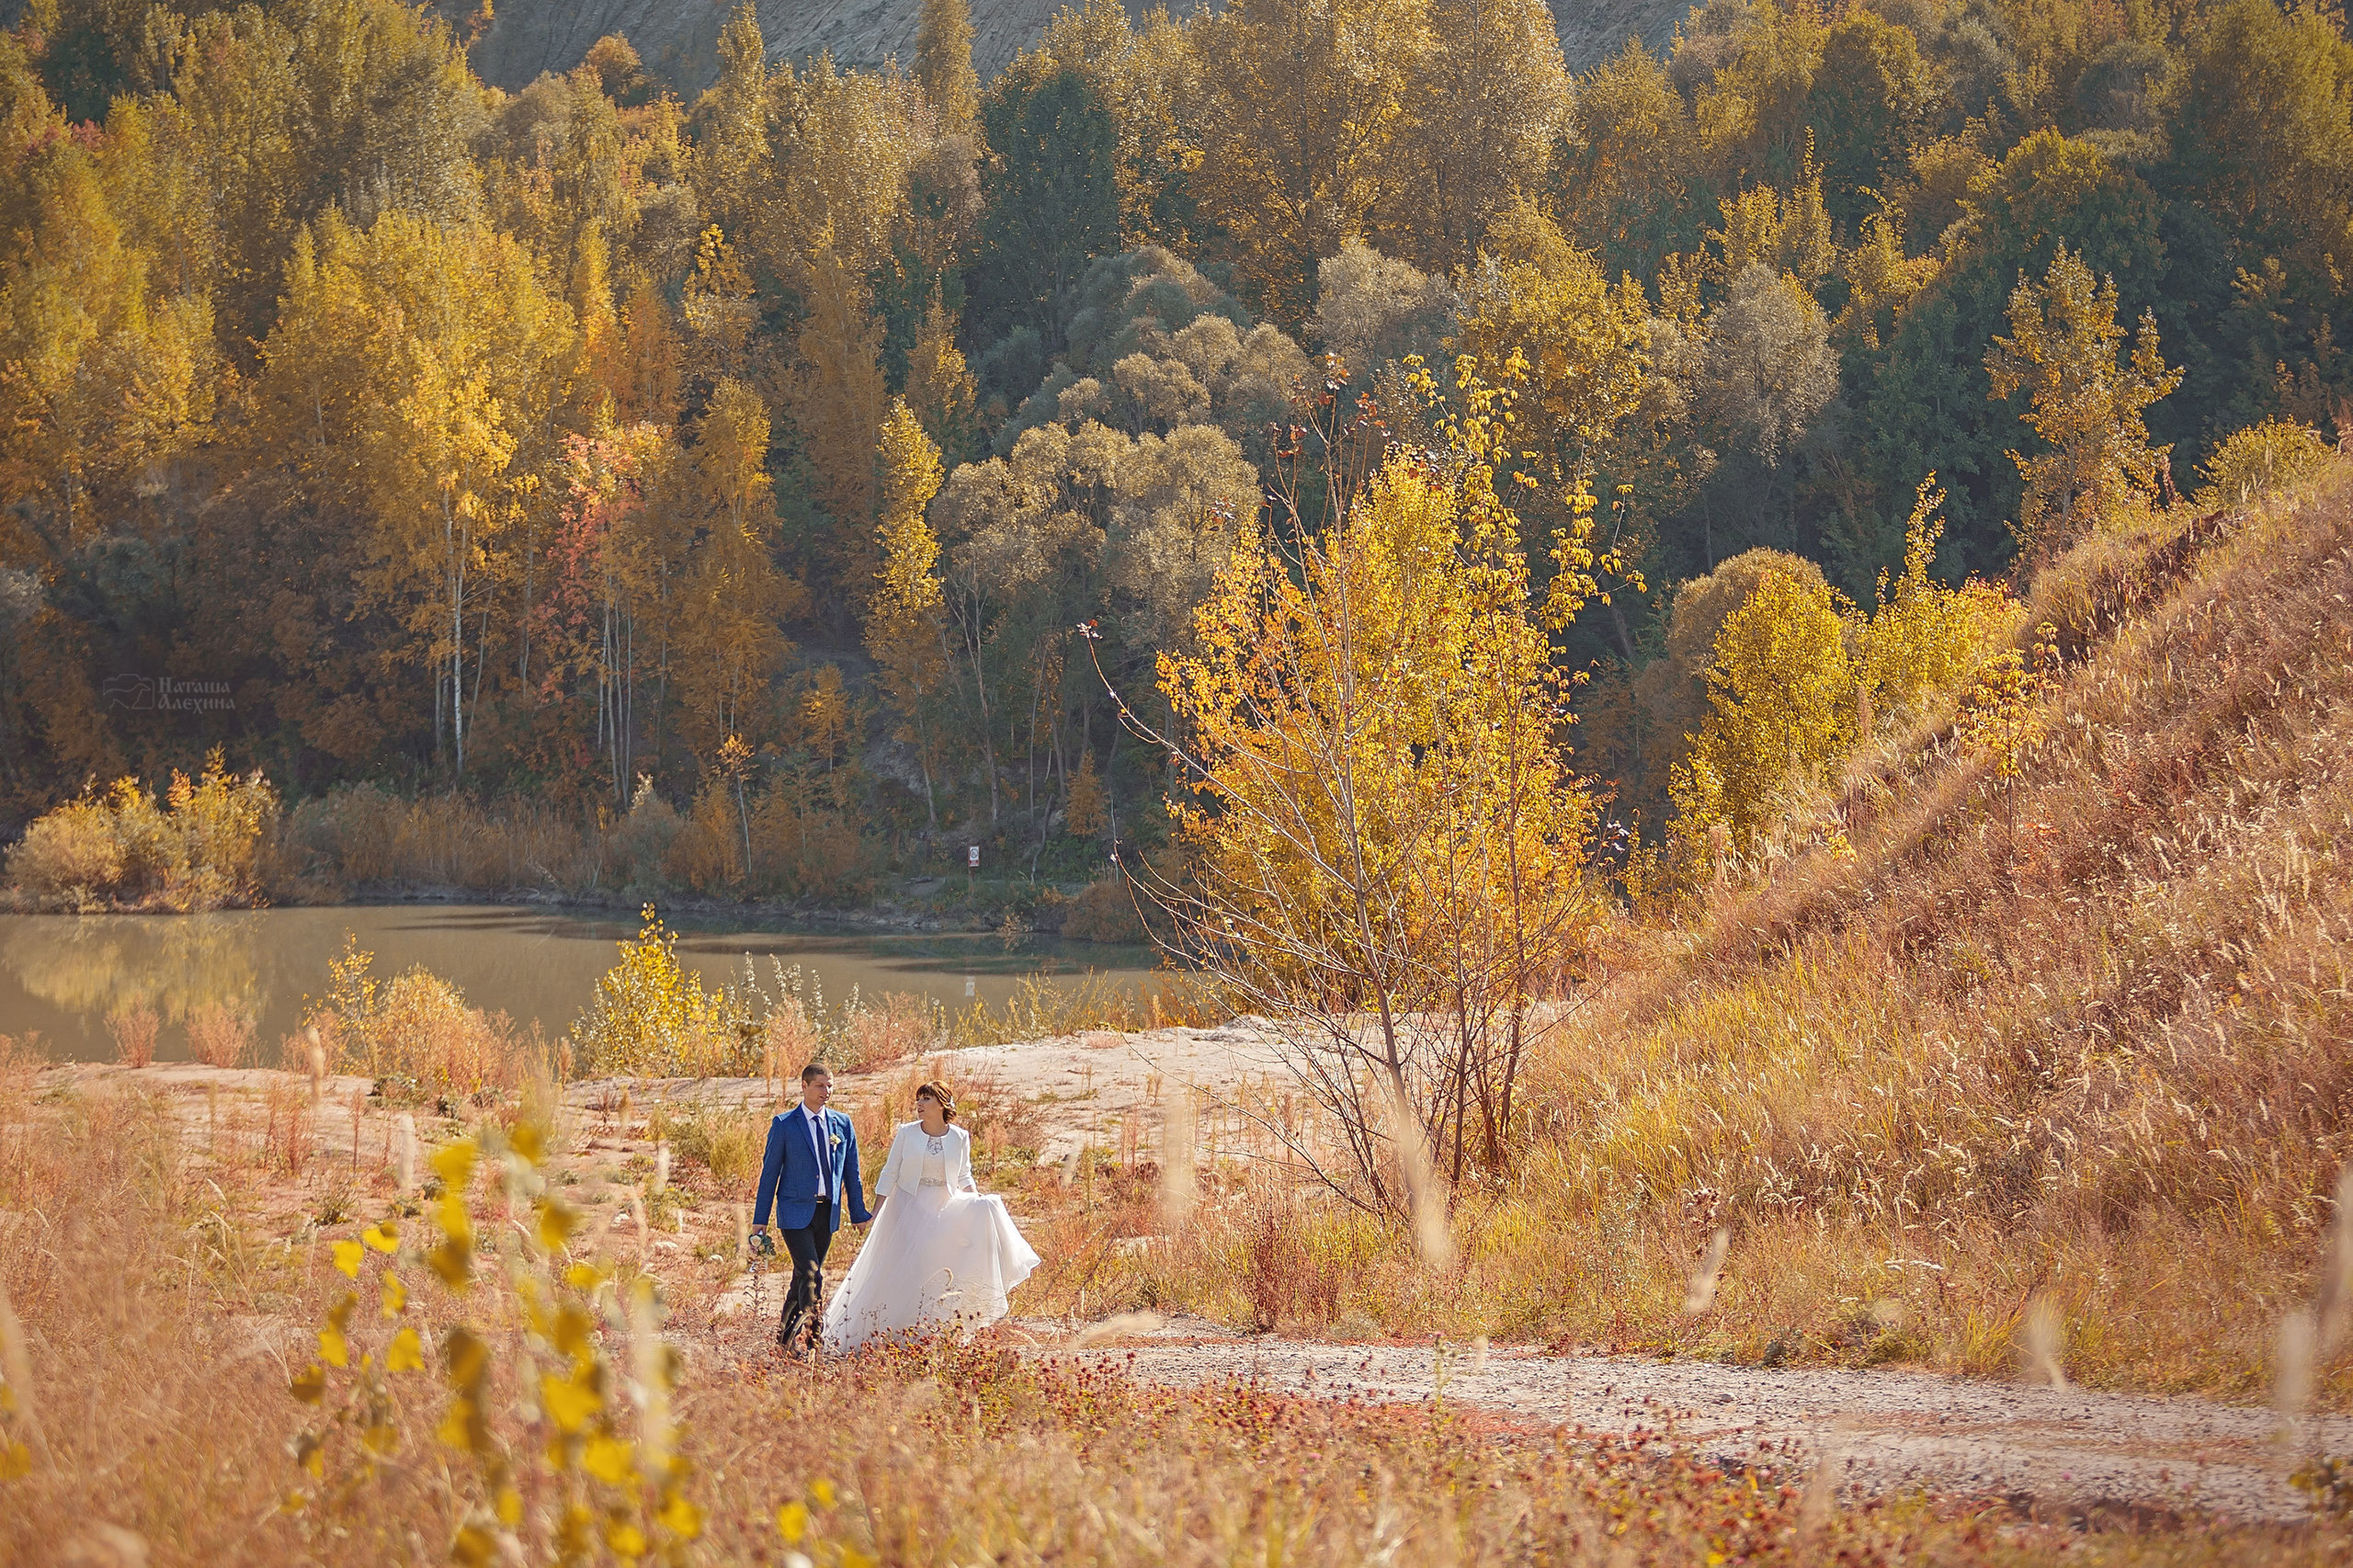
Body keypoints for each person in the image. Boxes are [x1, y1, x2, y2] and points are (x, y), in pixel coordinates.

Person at [821, 1081, 1039, 1351]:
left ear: (942, 1104)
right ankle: (891, 1332)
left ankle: (931, 1331)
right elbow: (890, 1173)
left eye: (926, 1099)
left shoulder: (959, 1137)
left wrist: (975, 1197)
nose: (919, 1104)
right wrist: (876, 1213)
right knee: (907, 1267)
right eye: (918, 1099)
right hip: (907, 1206)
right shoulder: (906, 1133)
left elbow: (963, 1175)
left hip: (943, 1206)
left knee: (982, 1213)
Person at [752, 1063, 870, 1354]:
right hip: (794, 1212)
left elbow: (850, 1173)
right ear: (803, 1086)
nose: (826, 1092)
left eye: (830, 1085)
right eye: (819, 1085)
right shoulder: (784, 1124)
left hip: (826, 1213)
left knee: (800, 1278)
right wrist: (760, 1220)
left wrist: (858, 1214)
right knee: (812, 1274)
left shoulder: (841, 1124)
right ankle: (816, 1338)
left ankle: (784, 1341)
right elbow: (770, 1174)